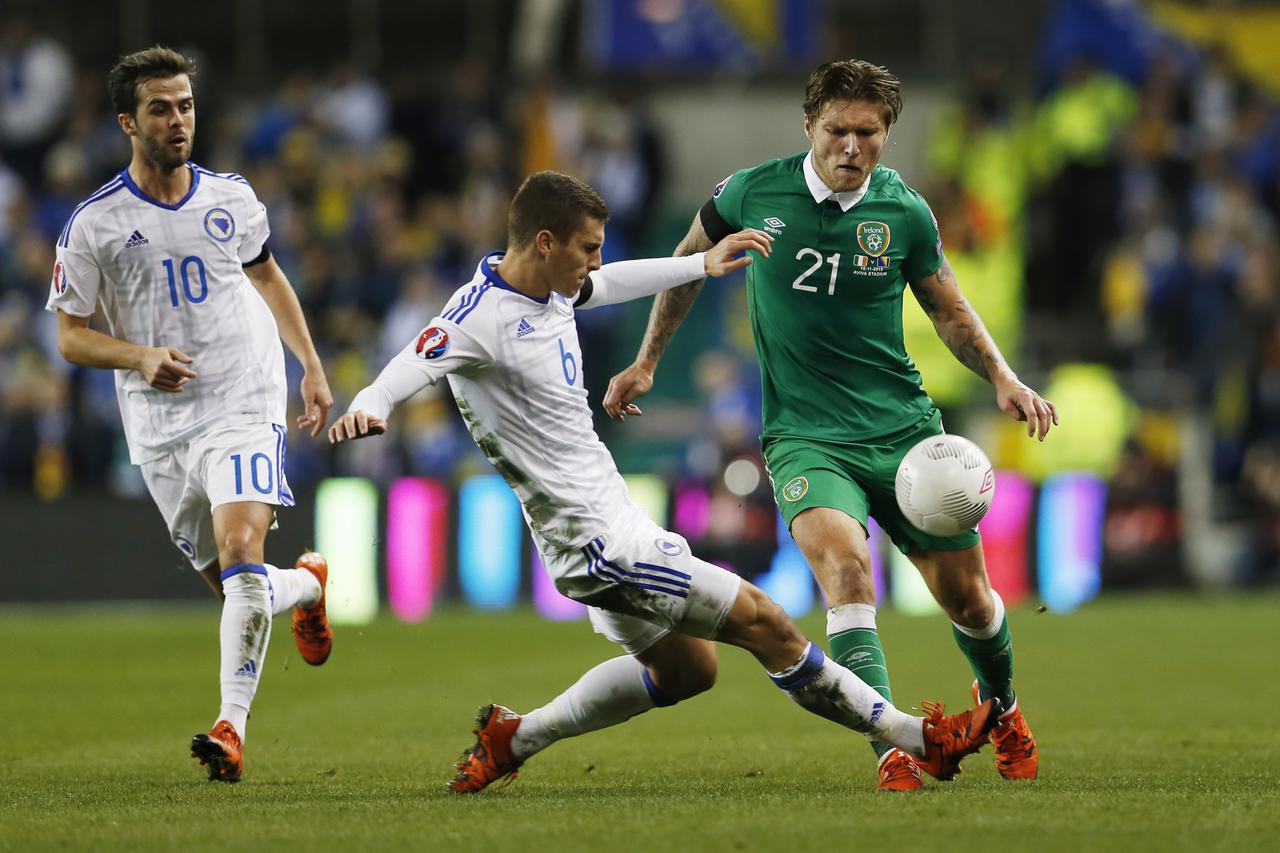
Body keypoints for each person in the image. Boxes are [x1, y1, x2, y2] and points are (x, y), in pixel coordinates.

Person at [330, 170, 1002, 793]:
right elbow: (419, 355)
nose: (595, 261)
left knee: (687, 671)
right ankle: (918, 737)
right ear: (544, 241)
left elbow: (608, 284)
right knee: (767, 622)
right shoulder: (478, 317)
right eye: (587, 248)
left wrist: (698, 264)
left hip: (600, 528)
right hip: (599, 544)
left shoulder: (549, 286)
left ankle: (515, 736)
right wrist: (371, 403)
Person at [603, 60, 1059, 792]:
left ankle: (1002, 707)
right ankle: (893, 746)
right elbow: (686, 265)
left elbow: (947, 308)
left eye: (869, 132)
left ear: (887, 133)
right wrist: (648, 360)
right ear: (808, 127)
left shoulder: (905, 212)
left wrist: (1003, 377)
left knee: (970, 600)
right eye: (838, 130)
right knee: (847, 571)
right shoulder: (751, 191)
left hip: (904, 431)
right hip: (806, 435)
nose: (852, 146)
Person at [46, 46, 335, 783]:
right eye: (160, 108)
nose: (178, 121)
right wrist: (140, 356)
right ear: (126, 121)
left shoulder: (231, 198)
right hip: (159, 423)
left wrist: (310, 364)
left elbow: (268, 275)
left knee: (240, 552)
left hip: (243, 393)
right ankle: (304, 584)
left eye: (185, 105)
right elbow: (70, 336)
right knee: (239, 585)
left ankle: (229, 730)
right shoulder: (94, 224)